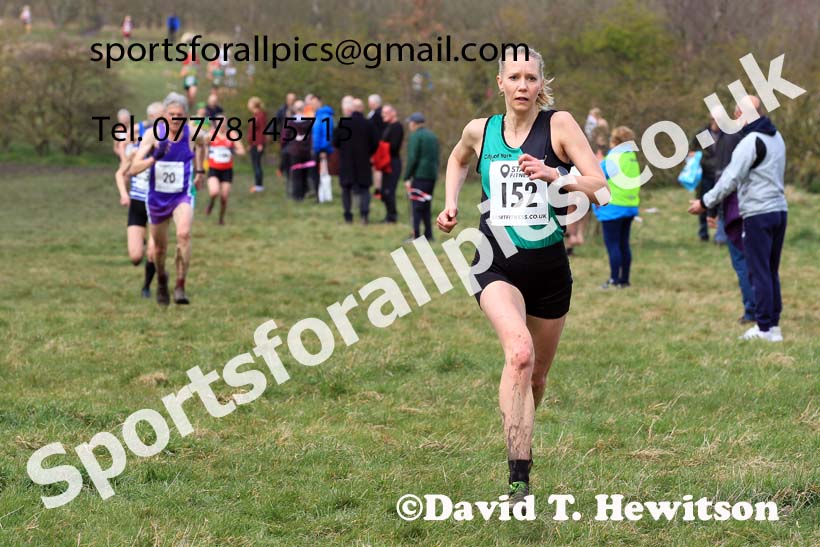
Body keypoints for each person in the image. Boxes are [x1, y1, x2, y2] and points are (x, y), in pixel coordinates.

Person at [436, 46, 607, 507]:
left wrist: (556, 175)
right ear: (500, 83)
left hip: (550, 270)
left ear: (540, 84)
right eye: (514, 78)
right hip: (494, 262)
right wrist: (451, 203)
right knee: (518, 354)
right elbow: (457, 160)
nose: (523, 86)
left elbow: (602, 188)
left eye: (531, 78)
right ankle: (518, 480)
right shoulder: (481, 130)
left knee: (535, 380)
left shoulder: (560, 125)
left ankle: (522, 428)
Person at [688, 96, 787, 342]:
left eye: (736, 115)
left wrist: (704, 202)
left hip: (757, 213)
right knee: (771, 269)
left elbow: (729, 178)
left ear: (742, 114)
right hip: (779, 210)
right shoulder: (776, 137)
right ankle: (773, 325)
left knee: (758, 270)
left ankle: (764, 328)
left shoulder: (750, 141)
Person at [128, 92, 208, 306]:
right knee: (158, 250)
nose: (175, 119)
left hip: (182, 195)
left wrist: (200, 171)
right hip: (157, 198)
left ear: (186, 116)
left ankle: (181, 285)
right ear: (164, 115)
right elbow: (133, 169)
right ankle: (162, 279)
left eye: (180, 115)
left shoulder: (191, 133)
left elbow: (203, 143)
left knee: (183, 234)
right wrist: (155, 157)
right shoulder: (153, 135)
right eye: (171, 114)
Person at [114, 102, 163, 298]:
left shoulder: (169, 147)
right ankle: (143, 241)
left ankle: (147, 286)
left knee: (153, 252)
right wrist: (124, 194)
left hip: (158, 204)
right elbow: (120, 173)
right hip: (137, 202)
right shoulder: (138, 148)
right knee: (135, 256)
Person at [710, 117, 756, 324]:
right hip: (761, 206)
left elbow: (724, 177)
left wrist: (711, 208)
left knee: (742, 260)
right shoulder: (762, 136)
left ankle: (752, 310)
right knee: (758, 262)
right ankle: (762, 307)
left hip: (737, 207)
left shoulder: (730, 138)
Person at [594, 126, 641, 288]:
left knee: (613, 244)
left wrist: (599, 161)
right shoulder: (631, 156)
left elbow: (598, 176)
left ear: (615, 141)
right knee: (624, 244)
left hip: (613, 206)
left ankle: (614, 280)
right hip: (630, 205)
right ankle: (624, 280)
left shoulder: (614, 156)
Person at [333, 97, 377, 224]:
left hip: (347, 161)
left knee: (346, 189)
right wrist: (368, 152)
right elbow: (375, 143)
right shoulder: (368, 124)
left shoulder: (344, 123)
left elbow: (335, 142)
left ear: (351, 109)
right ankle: (364, 214)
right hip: (363, 161)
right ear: (362, 108)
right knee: (364, 189)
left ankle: (348, 215)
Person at [403, 112, 438, 239]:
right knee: (426, 206)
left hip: (420, 176)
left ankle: (416, 235)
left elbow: (412, 158)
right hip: (431, 176)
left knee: (416, 207)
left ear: (413, 123)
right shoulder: (432, 136)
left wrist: (407, 176)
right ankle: (429, 235)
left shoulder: (415, 137)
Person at [205, 114, 246, 224]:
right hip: (214, 168)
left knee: (224, 197)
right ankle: (211, 203)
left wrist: (233, 150)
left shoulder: (232, 134)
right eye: (219, 123)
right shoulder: (211, 134)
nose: (221, 125)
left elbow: (242, 151)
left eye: (223, 123)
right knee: (214, 192)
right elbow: (201, 146)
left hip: (227, 170)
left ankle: (221, 219)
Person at [689, 114, 722, 242]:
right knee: (702, 202)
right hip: (705, 174)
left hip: (721, 175)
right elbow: (690, 151)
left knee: (720, 204)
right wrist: (696, 156)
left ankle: (720, 233)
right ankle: (703, 233)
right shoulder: (702, 134)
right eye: (715, 119)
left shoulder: (727, 135)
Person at [379, 104, 404, 223]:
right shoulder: (388, 126)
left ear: (393, 113)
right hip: (386, 163)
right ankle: (389, 214)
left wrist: (381, 147)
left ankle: (392, 216)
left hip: (393, 163)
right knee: (384, 191)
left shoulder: (397, 127)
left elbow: (394, 147)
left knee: (389, 191)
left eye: (385, 113)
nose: (383, 115)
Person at [310, 94, 335, 198]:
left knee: (323, 173)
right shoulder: (316, 116)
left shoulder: (325, 116)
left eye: (314, 102)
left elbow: (327, 134)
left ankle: (323, 195)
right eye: (311, 103)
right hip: (316, 148)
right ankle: (318, 194)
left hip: (322, 149)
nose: (313, 105)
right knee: (316, 173)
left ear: (320, 102)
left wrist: (324, 149)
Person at [247, 96, 267, 193]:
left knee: (257, 164)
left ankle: (259, 185)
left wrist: (260, 144)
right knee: (255, 164)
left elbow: (262, 131)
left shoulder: (261, 116)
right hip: (253, 144)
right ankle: (257, 184)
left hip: (258, 144)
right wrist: (250, 144)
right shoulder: (254, 116)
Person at [367, 94, 385, 197]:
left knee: (377, 167)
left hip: (377, 145)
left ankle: (378, 190)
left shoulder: (377, 114)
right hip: (377, 144)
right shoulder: (375, 113)